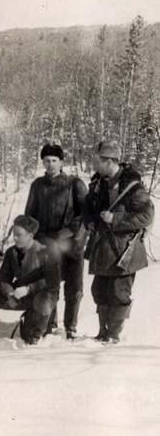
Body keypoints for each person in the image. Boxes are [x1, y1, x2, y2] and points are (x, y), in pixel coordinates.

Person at [84, 141, 154, 343]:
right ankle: (103, 332)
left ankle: (113, 335)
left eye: (96, 160)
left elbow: (146, 216)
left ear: (108, 161)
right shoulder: (98, 183)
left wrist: (116, 219)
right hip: (103, 248)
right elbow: (88, 207)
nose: (93, 163)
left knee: (118, 293)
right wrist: (89, 221)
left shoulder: (132, 187)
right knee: (99, 291)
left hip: (123, 250)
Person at [25, 143, 88, 339]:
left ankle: (71, 327)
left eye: (54, 160)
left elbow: (85, 213)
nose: (50, 164)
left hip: (72, 244)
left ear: (61, 162)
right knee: (49, 285)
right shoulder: (37, 185)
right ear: (42, 162)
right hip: (46, 244)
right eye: (47, 160)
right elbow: (30, 216)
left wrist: (70, 230)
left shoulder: (74, 184)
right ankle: (49, 323)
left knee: (74, 288)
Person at [0, 215, 61, 347]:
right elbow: (4, 277)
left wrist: (28, 289)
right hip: (17, 296)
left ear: (30, 235)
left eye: (19, 235)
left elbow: (53, 282)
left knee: (28, 336)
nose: (14, 238)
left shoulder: (46, 252)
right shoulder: (11, 253)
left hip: (41, 297)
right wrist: (9, 293)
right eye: (14, 234)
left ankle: (36, 336)